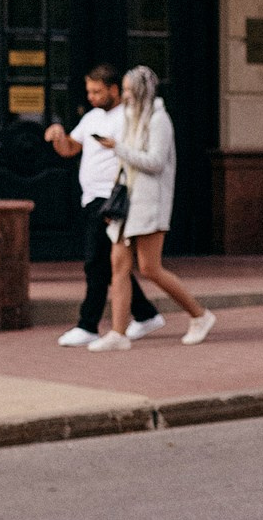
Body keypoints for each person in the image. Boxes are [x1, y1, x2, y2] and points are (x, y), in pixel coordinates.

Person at [87, 65, 215, 350]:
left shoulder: (159, 120)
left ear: (143, 91)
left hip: (149, 203)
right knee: (118, 266)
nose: (127, 96)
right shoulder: (131, 118)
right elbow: (126, 165)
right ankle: (118, 334)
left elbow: (155, 162)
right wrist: (113, 199)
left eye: (131, 90)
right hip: (126, 204)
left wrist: (118, 148)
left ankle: (200, 315)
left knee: (150, 268)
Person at [45, 64, 161, 346]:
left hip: (112, 198)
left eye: (97, 91)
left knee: (95, 262)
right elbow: (71, 148)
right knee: (110, 264)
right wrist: (59, 138)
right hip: (90, 197)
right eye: (89, 91)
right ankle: (145, 314)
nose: (92, 96)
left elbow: (141, 155)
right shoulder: (91, 118)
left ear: (113, 89)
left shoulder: (129, 117)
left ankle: (88, 324)